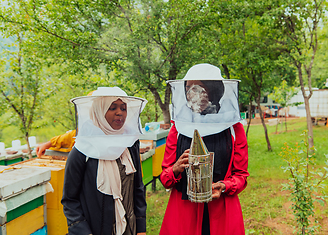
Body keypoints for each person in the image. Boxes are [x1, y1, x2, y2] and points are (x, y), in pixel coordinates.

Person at [159, 63, 249, 235]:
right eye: (188, 89)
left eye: (198, 88)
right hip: (183, 214)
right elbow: (165, 178)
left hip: (222, 214)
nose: (192, 95)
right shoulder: (178, 128)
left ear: (214, 91)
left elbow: (241, 176)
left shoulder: (233, 128)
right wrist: (176, 169)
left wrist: (224, 186)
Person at [61, 87, 147, 235]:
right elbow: (70, 200)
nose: (119, 112)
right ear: (99, 112)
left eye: (123, 108)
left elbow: (137, 187)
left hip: (129, 228)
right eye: (112, 107)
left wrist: (141, 227)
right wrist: (83, 231)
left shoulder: (130, 144)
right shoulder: (82, 150)